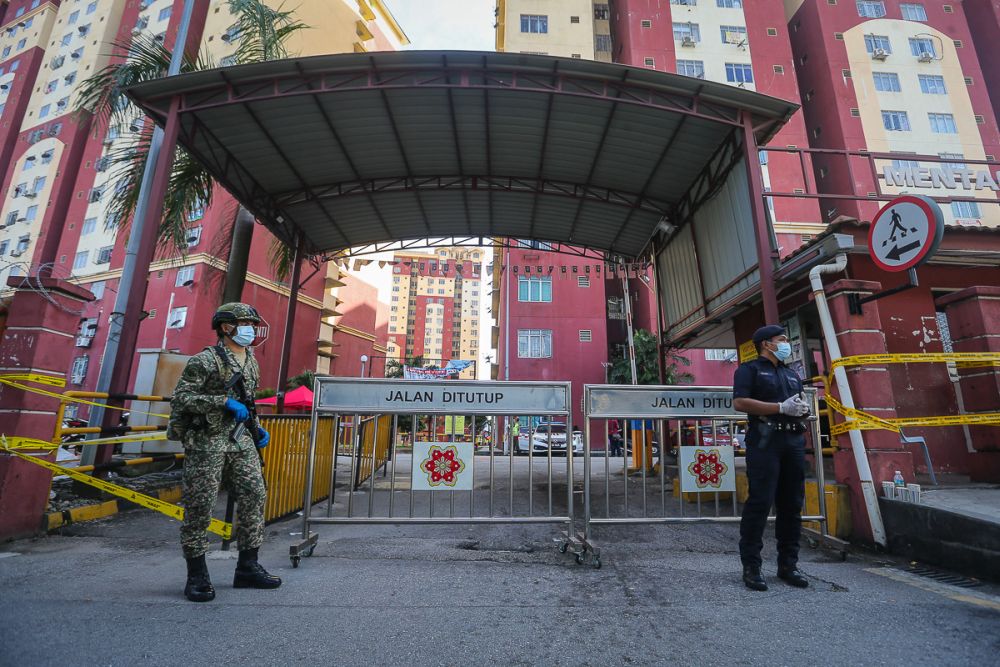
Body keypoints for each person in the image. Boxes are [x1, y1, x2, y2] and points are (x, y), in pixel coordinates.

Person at [169, 302, 281, 602]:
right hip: (206, 442)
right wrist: (221, 402)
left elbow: (248, 400)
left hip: (240, 440)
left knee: (255, 495)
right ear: (225, 327)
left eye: (252, 323)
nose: (250, 329)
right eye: (244, 323)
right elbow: (181, 398)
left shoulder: (251, 360)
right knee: (200, 506)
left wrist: (257, 430)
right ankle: (197, 575)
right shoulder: (205, 360)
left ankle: (248, 566)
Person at [732, 324, 811, 592]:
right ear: (767, 344)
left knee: (792, 504)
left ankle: (788, 565)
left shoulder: (791, 374)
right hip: (765, 441)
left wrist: (802, 411)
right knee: (760, 503)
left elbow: (797, 406)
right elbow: (740, 402)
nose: (786, 343)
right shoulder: (750, 370)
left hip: (793, 441)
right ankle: (752, 567)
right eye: (782, 339)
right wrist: (780, 407)